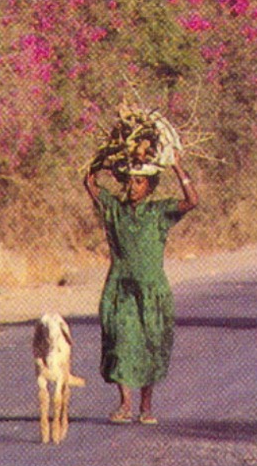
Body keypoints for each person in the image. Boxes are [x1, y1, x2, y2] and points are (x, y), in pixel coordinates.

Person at [84, 156, 197, 425]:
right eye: (130, 181)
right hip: (120, 287)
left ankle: (146, 406)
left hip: (151, 289)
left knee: (150, 344)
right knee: (121, 340)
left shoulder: (159, 212)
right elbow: (88, 182)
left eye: (140, 181)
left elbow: (192, 201)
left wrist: (176, 165)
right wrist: (105, 160)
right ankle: (125, 404)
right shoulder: (114, 209)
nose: (133, 187)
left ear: (150, 186)